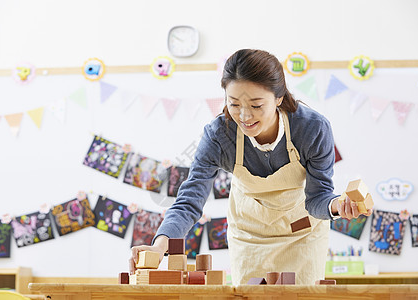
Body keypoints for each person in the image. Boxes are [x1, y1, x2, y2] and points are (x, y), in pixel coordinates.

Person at [130, 49, 373, 285]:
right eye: (234, 104)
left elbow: (318, 198)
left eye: (256, 105)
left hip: (302, 234)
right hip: (249, 237)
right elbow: (189, 201)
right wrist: (159, 246)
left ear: (278, 98)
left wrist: (337, 206)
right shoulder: (218, 136)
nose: (244, 116)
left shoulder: (311, 129)